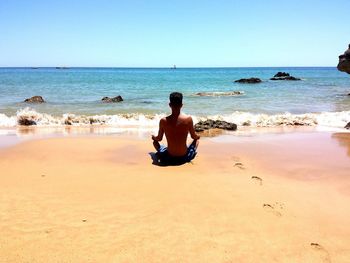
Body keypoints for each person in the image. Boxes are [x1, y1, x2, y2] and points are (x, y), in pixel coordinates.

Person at [151, 92, 200, 165]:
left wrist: (154, 138)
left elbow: (159, 139)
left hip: (169, 157)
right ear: (182, 105)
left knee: (155, 143)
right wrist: (197, 137)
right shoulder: (188, 119)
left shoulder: (163, 121)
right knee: (196, 141)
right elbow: (193, 136)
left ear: (170, 105)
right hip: (184, 157)